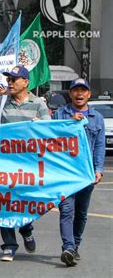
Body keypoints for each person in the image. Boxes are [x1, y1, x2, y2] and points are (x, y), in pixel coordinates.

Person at [0, 65, 51, 261]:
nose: (10, 82)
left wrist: (38, 127)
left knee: (24, 203)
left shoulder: (39, 104)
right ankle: (9, 245)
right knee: (3, 203)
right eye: (9, 79)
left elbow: (49, 133)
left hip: (28, 165)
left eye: (14, 79)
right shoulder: (0, 103)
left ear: (25, 82)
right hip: (3, 164)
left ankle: (26, 229)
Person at [53, 78, 104, 266]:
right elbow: (51, 137)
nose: (79, 94)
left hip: (86, 173)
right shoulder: (60, 114)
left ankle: (75, 246)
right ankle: (68, 247)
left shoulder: (96, 118)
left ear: (89, 94)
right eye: (75, 90)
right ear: (71, 94)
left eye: (83, 90)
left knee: (81, 213)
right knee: (66, 210)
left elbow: (99, 146)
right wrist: (69, 123)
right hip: (65, 173)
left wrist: (98, 170)